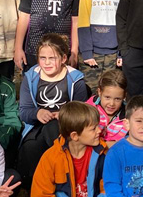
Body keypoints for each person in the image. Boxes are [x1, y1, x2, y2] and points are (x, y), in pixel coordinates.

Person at [18, 34, 90, 187]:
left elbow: (82, 111)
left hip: (66, 128)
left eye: (52, 58)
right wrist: (37, 113)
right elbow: (24, 111)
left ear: (63, 58)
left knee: (52, 129)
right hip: (36, 126)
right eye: (43, 58)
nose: (47, 62)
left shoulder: (75, 79)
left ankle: (65, 182)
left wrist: (64, 115)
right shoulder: (31, 77)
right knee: (30, 147)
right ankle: (35, 189)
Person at [78, 0, 124, 92]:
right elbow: (83, 22)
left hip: (113, 54)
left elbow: (123, 25)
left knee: (110, 90)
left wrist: (120, 53)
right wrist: (86, 52)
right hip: (92, 55)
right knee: (91, 91)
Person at [86, 69, 128, 144]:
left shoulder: (128, 117)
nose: (111, 103)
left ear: (124, 96)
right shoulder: (88, 107)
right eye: (107, 97)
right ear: (99, 92)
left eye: (117, 99)